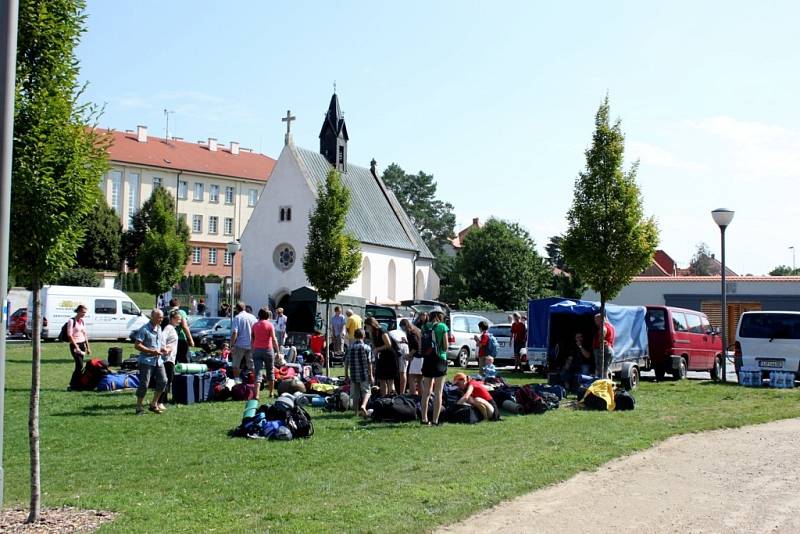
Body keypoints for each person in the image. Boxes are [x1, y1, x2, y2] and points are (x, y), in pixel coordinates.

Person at [134, 309, 168, 415]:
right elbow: (137, 345)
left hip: (158, 360)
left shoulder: (159, 328)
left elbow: (159, 343)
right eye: (159, 317)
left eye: (162, 317)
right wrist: (151, 351)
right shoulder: (144, 329)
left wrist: (164, 348)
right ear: (152, 317)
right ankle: (139, 407)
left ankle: (154, 404)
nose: (161, 319)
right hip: (146, 361)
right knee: (144, 384)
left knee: (163, 380)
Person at [420, 310, 449, 425]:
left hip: (427, 359)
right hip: (439, 359)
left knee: (426, 391)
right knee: (438, 392)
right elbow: (445, 345)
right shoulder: (442, 327)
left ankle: (424, 418)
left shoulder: (424, 327)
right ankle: (435, 420)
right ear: (439, 316)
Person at [344, 328, 373, 417]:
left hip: (353, 373)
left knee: (355, 394)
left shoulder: (350, 348)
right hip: (364, 373)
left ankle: (356, 412)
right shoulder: (367, 347)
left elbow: (346, 362)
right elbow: (369, 362)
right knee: (367, 392)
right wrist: (371, 375)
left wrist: (346, 375)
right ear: (363, 336)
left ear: (355, 336)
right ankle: (363, 406)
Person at [365, 317, 398, 396]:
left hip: (389, 358)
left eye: (367, 326)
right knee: (382, 380)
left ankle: (391, 398)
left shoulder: (382, 331)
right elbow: (374, 345)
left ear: (372, 325)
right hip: (381, 358)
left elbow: (389, 345)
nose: (367, 328)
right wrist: (371, 335)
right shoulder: (373, 333)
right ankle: (383, 399)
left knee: (390, 381)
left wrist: (377, 349)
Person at [252, 308, 279, 399]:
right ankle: (271, 393)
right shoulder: (270, 325)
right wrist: (278, 351)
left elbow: (252, 338)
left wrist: (253, 349)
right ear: (268, 315)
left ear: (259, 315)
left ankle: (257, 395)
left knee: (257, 372)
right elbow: (274, 339)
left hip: (257, 350)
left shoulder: (255, 325)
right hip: (268, 349)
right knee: (270, 371)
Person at [158, 310, 182, 408]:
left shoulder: (173, 328)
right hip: (167, 358)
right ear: (172, 319)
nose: (179, 321)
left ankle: (162, 400)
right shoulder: (168, 328)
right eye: (178, 319)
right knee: (167, 380)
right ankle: (160, 401)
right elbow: (162, 338)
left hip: (171, 358)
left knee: (169, 379)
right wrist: (165, 348)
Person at [66, 305, 91, 390]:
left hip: (82, 344)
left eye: (85, 312)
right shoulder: (71, 321)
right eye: (83, 312)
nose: (84, 314)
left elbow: (84, 334)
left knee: (80, 366)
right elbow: (69, 335)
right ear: (79, 311)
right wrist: (76, 346)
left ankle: (78, 384)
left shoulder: (82, 321)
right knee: (79, 365)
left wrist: (88, 347)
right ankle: (71, 385)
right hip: (75, 345)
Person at [230, 301, 257, 379]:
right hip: (251, 344)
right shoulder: (253, 317)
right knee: (252, 365)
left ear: (236, 309)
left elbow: (235, 332)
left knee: (235, 365)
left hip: (240, 344)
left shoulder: (237, 317)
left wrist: (232, 345)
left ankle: (237, 381)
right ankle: (257, 380)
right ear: (244, 308)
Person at [167, 298, 194, 364]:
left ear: (170, 305)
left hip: (170, 339)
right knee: (185, 360)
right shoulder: (181, 312)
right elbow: (184, 326)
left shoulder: (168, 313)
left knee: (173, 359)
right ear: (179, 304)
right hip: (181, 339)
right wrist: (190, 340)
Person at [400, 319, 423, 395]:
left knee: (411, 378)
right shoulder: (416, 330)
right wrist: (406, 342)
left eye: (402, 327)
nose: (402, 330)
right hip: (422, 357)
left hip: (416, 358)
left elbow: (415, 347)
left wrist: (409, 355)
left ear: (404, 326)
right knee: (419, 380)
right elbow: (416, 343)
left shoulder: (411, 333)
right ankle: (421, 397)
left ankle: (412, 397)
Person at [593, 313, 615, 378]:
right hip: (609, 349)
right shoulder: (611, 326)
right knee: (605, 371)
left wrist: (601, 340)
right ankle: (605, 386)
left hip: (602, 350)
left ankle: (603, 386)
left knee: (601, 371)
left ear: (601, 319)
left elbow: (603, 332)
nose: (595, 322)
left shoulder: (603, 326)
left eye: (596, 320)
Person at [388, 325, 409, 394]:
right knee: (403, 372)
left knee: (393, 372)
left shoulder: (388, 333)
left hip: (398, 348)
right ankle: (402, 393)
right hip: (405, 347)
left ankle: (392, 392)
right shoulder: (401, 332)